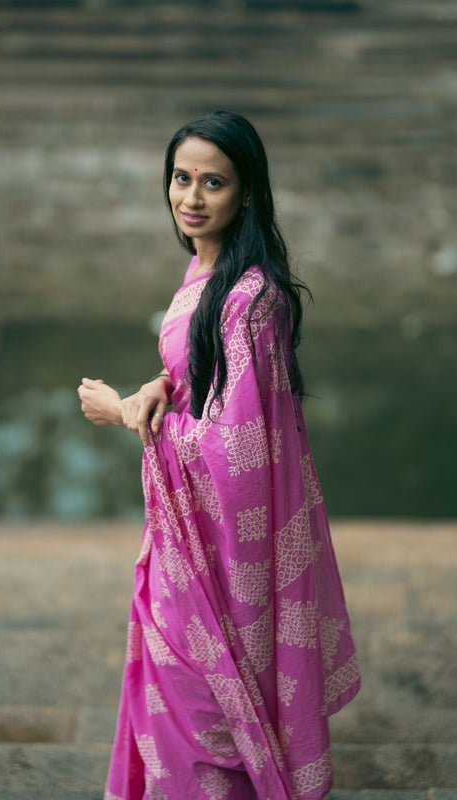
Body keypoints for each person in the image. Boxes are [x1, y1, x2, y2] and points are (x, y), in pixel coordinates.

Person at [77, 110, 360, 800]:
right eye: (181, 178)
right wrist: (159, 385)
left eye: (214, 183)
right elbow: (207, 383)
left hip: (219, 565)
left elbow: (232, 450)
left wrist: (121, 411)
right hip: (182, 552)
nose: (191, 198)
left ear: (247, 193)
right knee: (179, 718)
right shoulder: (205, 269)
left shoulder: (252, 299)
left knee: (205, 730)